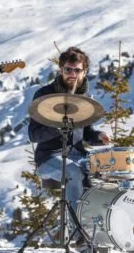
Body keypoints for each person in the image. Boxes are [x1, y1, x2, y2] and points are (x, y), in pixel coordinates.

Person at [28, 47, 110, 224]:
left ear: (84, 72)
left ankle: (101, 228)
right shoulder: (44, 95)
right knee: (74, 171)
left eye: (77, 70)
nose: (72, 74)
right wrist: (58, 127)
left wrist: (97, 137)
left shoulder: (85, 98)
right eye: (68, 69)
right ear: (61, 70)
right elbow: (33, 135)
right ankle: (78, 231)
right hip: (49, 158)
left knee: (105, 171)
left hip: (78, 156)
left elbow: (86, 132)